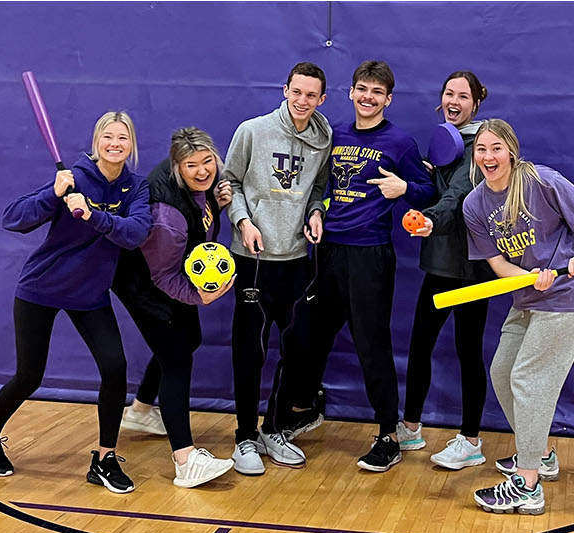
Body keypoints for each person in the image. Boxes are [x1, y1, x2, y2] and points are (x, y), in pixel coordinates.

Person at [0, 111, 153, 494]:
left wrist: (93, 217)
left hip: (90, 294)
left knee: (115, 367)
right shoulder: (73, 178)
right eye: (108, 136)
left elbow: (135, 234)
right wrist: (51, 194)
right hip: (42, 287)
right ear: (96, 142)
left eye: (123, 138)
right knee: (29, 376)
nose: (115, 143)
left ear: (131, 145)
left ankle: (104, 458)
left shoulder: (136, 188)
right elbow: (13, 219)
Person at [282, 60, 436, 472]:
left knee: (371, 344)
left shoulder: (400, 142)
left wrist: (404, 188)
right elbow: (320, 186)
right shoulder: (333, 134)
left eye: (377, 92)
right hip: (328, 251)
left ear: (388, 99)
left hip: (370, 255)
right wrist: (316, 211)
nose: (368, 98)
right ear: (351, 92)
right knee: (305, 333)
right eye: (362, 89)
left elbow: (426, 191)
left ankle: (388, 434)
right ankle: (304, 406)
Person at [461, 118, 574, 514]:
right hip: (529, 298)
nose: (489, 157)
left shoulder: (540, 181)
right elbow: (496, 263)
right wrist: (526, 276)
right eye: (481, 149)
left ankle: (527, 483)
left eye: (496, 148)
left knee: (528, 377)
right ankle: (540, 452)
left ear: (511, 150)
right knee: (502, 373)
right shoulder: (474, 204)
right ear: (474, 156)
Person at [221, 61, 333, 475]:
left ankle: (274, 428)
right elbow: (227, 182)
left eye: (311, 95)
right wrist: (242, 221)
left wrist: (317, 210)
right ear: (284, 89)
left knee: (297, 346)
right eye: (296, 92)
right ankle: (244, 437)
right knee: (250, 351)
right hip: (252, 258)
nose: (302, 101)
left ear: (321, 99)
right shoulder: (252, 131)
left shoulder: (325, 139)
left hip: (297, 258)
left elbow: (319, 185)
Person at [112, 127, 237, 488]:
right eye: (191, 165)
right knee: (177, 357)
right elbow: (164, 276)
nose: (202, 171)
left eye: (207, 162)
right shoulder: (166, 216)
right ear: (176, 166)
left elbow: (201, 217)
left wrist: (216, 201)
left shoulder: (199, 187)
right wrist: (202, 296)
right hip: (143, 284)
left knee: (190, 338)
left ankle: (140, 412)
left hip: (166, 273)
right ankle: (185, 461)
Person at [400, 70, 497, 469]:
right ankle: (410, 427)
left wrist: (429, 219)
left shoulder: (481, 147)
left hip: (473, 268)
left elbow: (456, 197)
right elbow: (440, 187)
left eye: (463, 95)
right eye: (448, 93)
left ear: (476, 103)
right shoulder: (443, 140)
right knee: (420, 345)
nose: (454, 100)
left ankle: (471, 440)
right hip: (440, 263)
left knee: (467, 352)